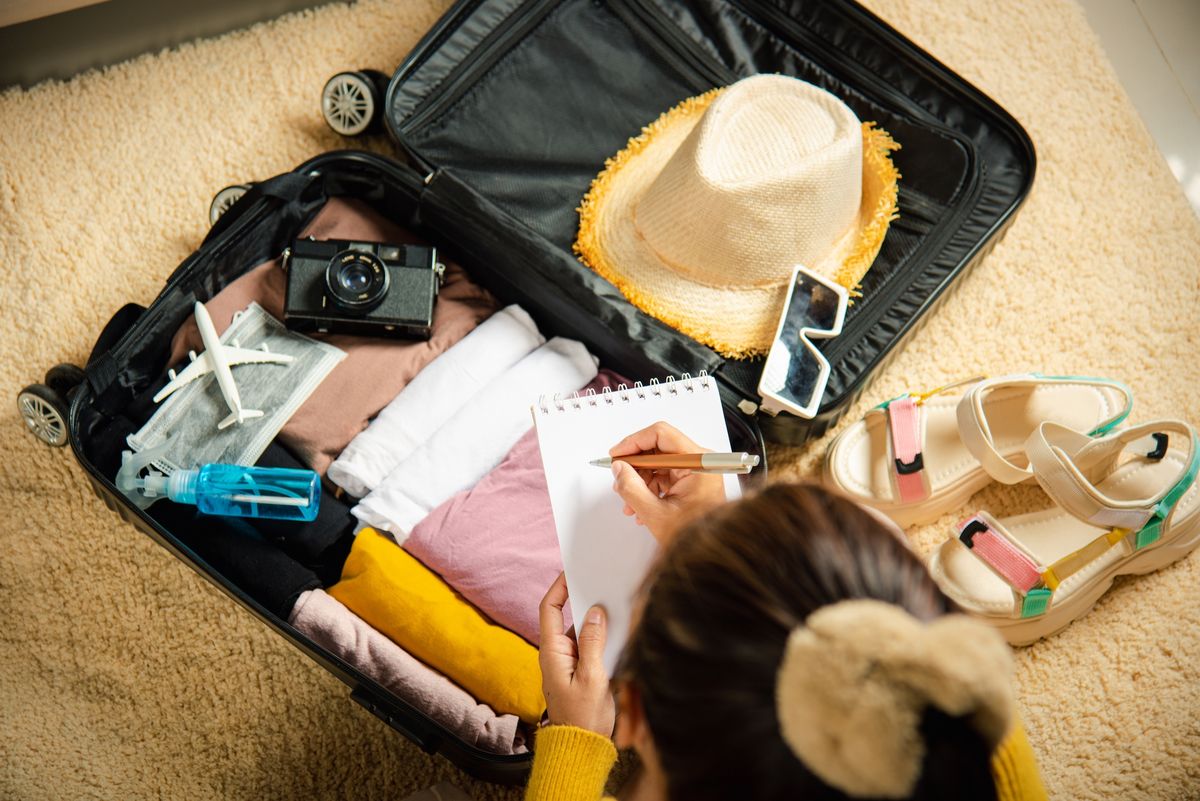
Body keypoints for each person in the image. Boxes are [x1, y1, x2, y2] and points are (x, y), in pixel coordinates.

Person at [527, 423, 1047, 801]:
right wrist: (715, 544)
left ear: (633, 717)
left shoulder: (957, 702)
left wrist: (573, 745)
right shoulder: (964, 723)